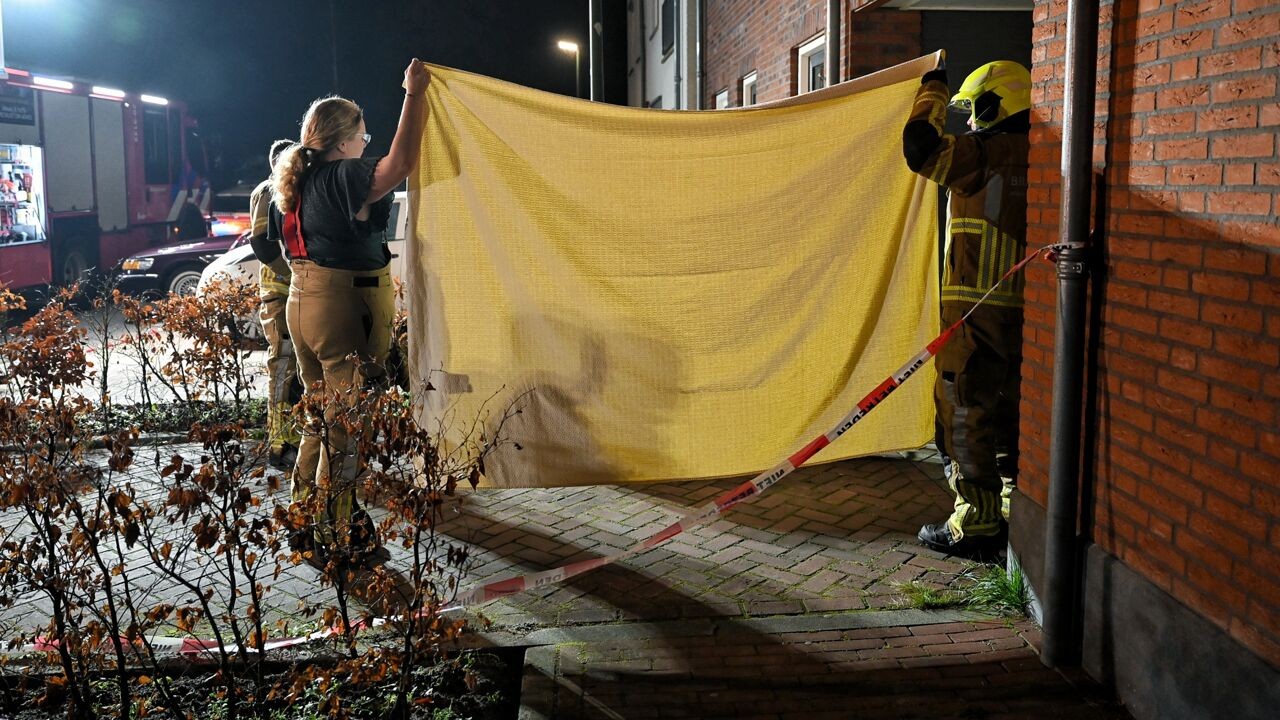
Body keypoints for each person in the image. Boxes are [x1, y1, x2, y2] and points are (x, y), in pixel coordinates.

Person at [269, 59, 430, 567]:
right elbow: (400, 162)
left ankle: (304, 520)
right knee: (345, 427)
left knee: (318, 420)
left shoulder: (301, 177)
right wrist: (413, 94)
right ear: (342, 142)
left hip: (306, 303)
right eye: (362, 136)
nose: (366, 145)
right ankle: (343, 533)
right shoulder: (342, 175)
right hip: (343, 309)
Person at [901, 60, 1031, 558]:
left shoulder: (984, 153)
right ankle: (1011, 516)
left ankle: (973, 524)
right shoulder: (1042, 153)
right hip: (1026, 318)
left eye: (975, 110)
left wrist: (933, 89)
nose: (971, 121)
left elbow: (921, 149)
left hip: (974, 317)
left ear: (995, 104)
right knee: (1007, 416)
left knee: (962, 413)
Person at [248, 139, 302, 469]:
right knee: (282, 365)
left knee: (296, 369)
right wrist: (292, 274)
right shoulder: (267, 191)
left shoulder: (292, 189)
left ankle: (294, 436)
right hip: (279, 293)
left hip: (295, 291)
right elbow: (261, 244)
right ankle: (279, 443)